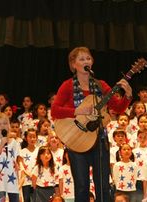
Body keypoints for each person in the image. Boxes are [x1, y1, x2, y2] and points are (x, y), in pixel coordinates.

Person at [51, 46, 132, 202]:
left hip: (99, 140)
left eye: (88, 58)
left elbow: (118, 107)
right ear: (73, 64)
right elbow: (55, 110)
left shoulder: (100, 85)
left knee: (103, 184)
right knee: (81, 185)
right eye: (81, 59)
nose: (86, 61)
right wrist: (77, 111)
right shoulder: (67, 85)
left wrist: (127, 95)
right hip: (76, 141)